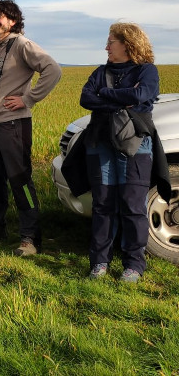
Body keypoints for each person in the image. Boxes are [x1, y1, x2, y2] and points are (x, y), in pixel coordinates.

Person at [0, 0, 62, 256]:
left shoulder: (22, 45)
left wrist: (27, 99)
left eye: (0, 16)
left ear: (13, 20)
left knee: (20, 181)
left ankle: (30, 238)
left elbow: (52, 69)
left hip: (14, 125)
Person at [79, 23, 166, 282]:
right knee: (103, 203)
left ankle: (134, 264)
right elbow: (86, 98)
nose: (106, 47)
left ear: (127, 44)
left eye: (110, 42)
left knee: (132, 204)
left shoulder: (147, 71)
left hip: (135, 145)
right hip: (100, 144)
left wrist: (104, 94)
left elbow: (142, 94)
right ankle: (100, 262)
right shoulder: (100, 71)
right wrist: (118, 97)